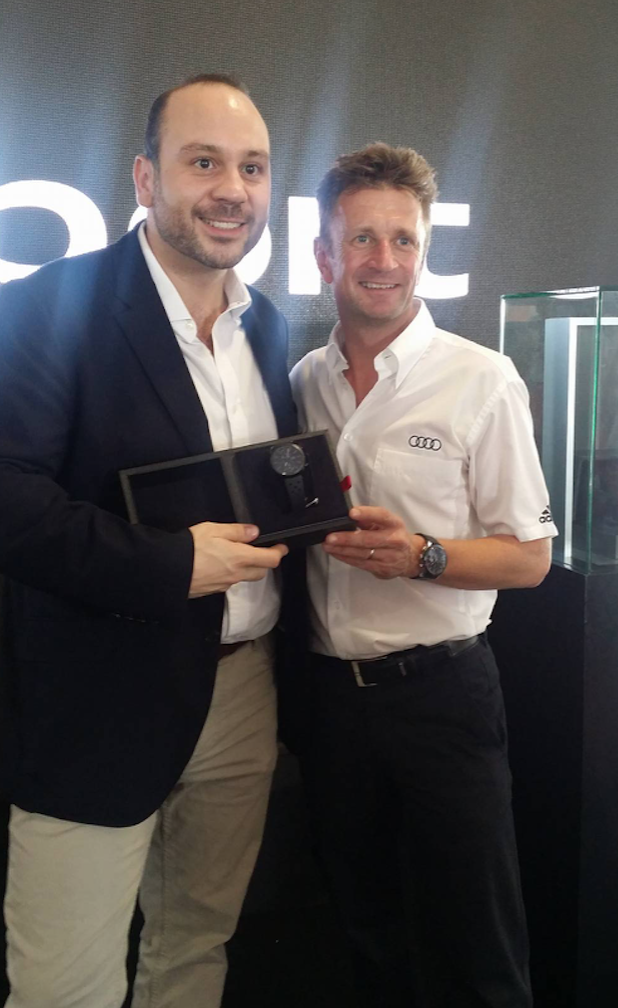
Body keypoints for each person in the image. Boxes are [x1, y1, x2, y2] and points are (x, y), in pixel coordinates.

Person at [0, 73, 297, 1008]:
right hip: (96, 700)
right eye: (203, 162)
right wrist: (174, 564)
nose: (232, 190)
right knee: (66, 985)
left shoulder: (268, 327)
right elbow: (10, 500)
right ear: (144, 177)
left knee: (195, 946)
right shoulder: (49, 305)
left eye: (252, 167)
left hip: (243, 687)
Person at [287, 142, 558, 1007]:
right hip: (331, 702)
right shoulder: (304, 381)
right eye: (362, 239)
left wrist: (424, 556)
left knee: (478, 941)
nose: (385, 260)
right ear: (324, 255)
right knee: (364, 931)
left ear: (424, 251)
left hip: (443, 696)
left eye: (403, 240)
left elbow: (529, 557)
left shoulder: (482, 380)